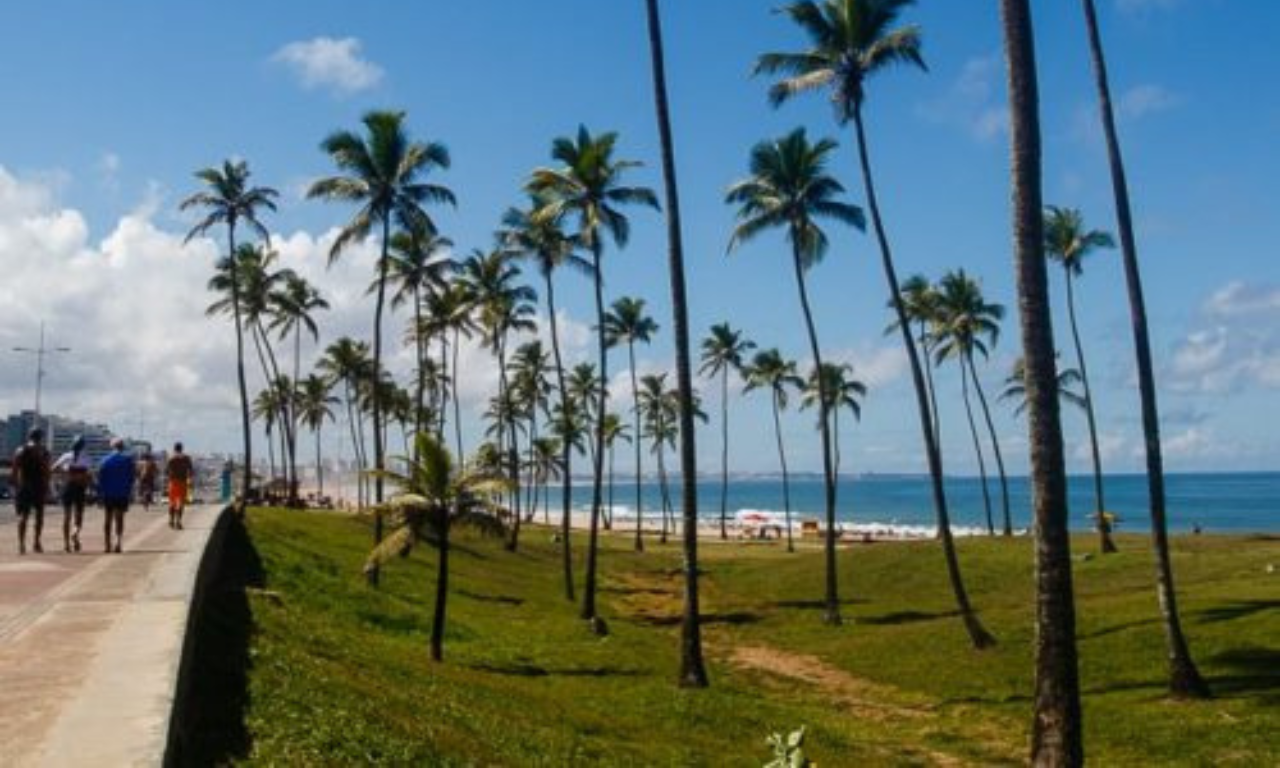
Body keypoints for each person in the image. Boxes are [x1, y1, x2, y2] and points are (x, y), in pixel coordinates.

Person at [11, 427, 52, 555]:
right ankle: (36, 542)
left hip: (24, 486)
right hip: (38, 486)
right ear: (40, 437)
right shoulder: (44, 451)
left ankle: (21, 544)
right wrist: (47, 487)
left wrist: (16, 485)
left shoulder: (20, 450)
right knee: (39, 516)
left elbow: (14, 471)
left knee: (23, 516)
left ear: (29, 436)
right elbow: (47, 471)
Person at [52, 435, 94, 552]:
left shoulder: (66, 456)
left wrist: (65, 473)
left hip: (68, 487)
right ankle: (75, 533)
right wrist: (89, 487)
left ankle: (66, 544)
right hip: (80, 489)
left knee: (67, 516)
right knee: (78, 516)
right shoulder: (86, 458)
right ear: (83, 445)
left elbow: (53, 469)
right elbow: (89, 475)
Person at [97, 437, 135, 554]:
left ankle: (107, 545)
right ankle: (118, 543)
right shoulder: (128, 460)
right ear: (122, 447)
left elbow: (100, 479)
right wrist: (129, 490)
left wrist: (100, 494)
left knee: (107, 519)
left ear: (112, 447)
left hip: (108, 493)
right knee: (119, 518)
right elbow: (132, 478)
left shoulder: (104, 460)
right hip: (122, 493)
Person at [166, 442, 194, 530]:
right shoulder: (186, 458)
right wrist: (190, 480)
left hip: (173, 482)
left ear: (174, 449)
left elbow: (167, 471)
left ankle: (171, 520)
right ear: (182, 448)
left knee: (172, 502)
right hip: (183, 482)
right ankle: (178, 521)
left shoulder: (171, 458)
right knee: (181, 503)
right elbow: (191, 471)